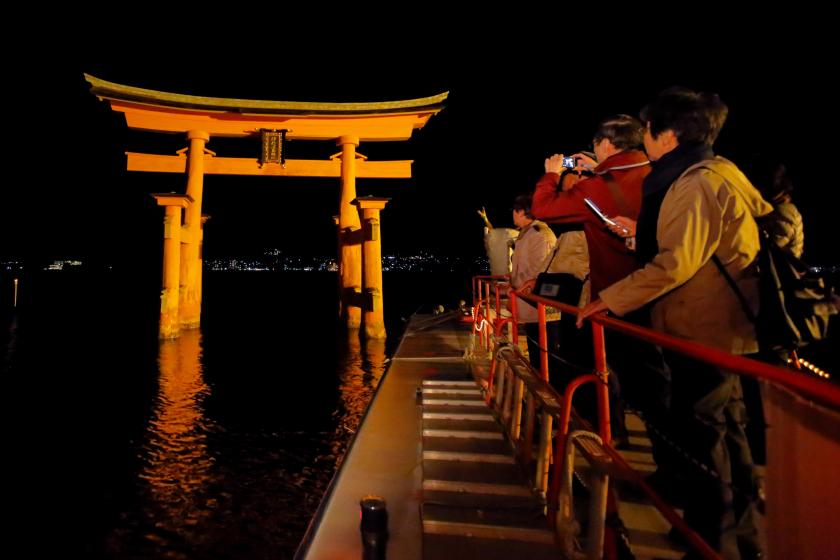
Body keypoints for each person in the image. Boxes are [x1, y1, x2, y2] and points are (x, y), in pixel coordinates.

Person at [579, 87, 772, 560]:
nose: (644, 138)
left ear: (666, 134)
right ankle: (740, 535)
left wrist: (609, 299)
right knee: (728, 433)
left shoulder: (696, 181)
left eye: (648, 130)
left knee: (705, 438)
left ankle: (711, 539)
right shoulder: (718, 172)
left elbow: (676, 262)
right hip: (721, 325)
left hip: (704, 325)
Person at [531, 115, 671, 454]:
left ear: (606, 144)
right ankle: (657, 450)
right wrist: (599, 170)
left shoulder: (598, 187)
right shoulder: (658, 174)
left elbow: (543, 207)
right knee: (656, 379)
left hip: (617, 294)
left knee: (623, 374)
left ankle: (654, 458)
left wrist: (551, 173)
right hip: (665, 292)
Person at [508, 194, 562, 377]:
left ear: (521, 212)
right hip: (529, 307)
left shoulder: (540, 234)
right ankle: (540, 395)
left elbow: (541, 272)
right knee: (536, 358)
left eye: (514, 211)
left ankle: (552, 397)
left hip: (540, 309)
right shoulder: (527, 234)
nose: (513, 215)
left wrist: (519, 288)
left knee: (547, 359)